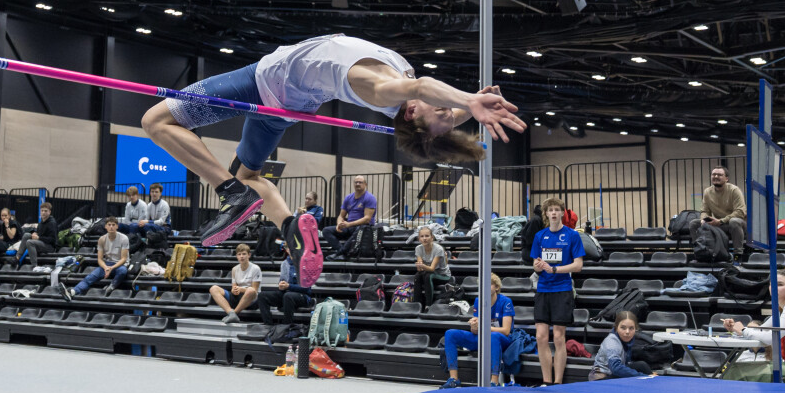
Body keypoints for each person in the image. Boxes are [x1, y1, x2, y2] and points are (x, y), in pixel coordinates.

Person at [140, 34, 525, 286]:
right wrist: (472, 107)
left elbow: (426, 88)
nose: (446, 107)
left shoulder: (384, 90)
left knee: (156, 121)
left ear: (411, 113)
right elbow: (438, 120)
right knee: (249, 174)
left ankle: (229, 191)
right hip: (288, 104)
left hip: (264, 81)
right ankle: (292, 228)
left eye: (441, 108)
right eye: (446, 110)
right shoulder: (405, 97)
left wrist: (469, 100)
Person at [530, 197, 585, 386]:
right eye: (550, 210)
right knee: (541, 336)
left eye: (556, 209)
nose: (553, 212)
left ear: (562, 212)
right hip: (543, 289)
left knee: (559, 337)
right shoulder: (540, 236)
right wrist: (538, 266)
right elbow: (535, 264)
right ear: (546, 213)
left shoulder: (572, 235)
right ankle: (546, 381)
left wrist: (555, 269)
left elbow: (578, 265)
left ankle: (558, 382)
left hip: (562, 290)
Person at [723, 269, 785, 379]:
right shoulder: (782, 310)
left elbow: (770, 337)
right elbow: (760, 330)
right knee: (735, 369)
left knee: (735, 371)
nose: (773, 288)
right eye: (771, 284)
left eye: (780, 284)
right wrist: (735, 328)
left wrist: (744, 330)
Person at [441, 273, 514, 388]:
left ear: (497, 287)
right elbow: (475, 331)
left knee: (493, 336)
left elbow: (506, 331)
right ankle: (454, 379)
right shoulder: (478, 301)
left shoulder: (506, 302)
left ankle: (494, 381)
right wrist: (474, 327)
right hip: (483, 337)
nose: (485, 287)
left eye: (489, 284)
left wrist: (484, 327)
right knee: (450, 333)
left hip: (501, 340)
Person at [65, 217, 129, 299]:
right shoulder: (101, 239)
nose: (111, 227)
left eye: (113, 225)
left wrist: (111, 268)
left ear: (117, 226)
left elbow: (124, 259)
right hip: (107, 264)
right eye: (109, 225)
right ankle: (73, 291)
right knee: (90, 277)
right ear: (105, 226)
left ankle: (111, 287)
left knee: (123, 271)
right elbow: (100, 259)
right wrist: (106, 268)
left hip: (120, 265)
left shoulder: (124, 238)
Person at [255, 250, 311, 336]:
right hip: (286, 294)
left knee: (288, 296)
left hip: (303, 296)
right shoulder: (284, 263)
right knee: (262, 296)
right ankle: (268, 325)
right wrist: (281, 286)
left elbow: (307, 289)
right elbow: (282, 282)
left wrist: (289, 286)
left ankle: (286, 327)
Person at [322, 175, 378, 257]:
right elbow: (341, 216)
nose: (357, 184)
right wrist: (339, 224)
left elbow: (367, 219)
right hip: (349, 227)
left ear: (365, 184)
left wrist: (349, 224)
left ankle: (339, 253)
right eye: (356, 182)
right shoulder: (348, 198)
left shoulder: (370, 198)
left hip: (364, 228)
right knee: (326, 230)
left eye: (360, 182)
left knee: (360, 229)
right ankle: (344, 253)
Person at [591, 312, 652, 380]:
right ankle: (651, 380)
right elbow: (616, 368)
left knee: (641, 365)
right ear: (616, 327)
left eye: (631, 328)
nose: (627, 332)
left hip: (613, 372)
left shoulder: (628, 340)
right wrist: (641, 376)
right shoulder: (612, 342)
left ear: (636, 329)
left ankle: (654, 380)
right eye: (623, 328)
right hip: (601, 377)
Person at [700, 166, 747, 255]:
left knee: (734, 221)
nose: (716, 176)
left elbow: (740, 212)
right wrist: (703, 219)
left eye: (719, 175)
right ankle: (701, 252)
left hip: (736, 224)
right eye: (713, 174)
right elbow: (704, 211)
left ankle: (738, 254)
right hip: (719, 224)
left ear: (726, 179)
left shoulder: (734, 190)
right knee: (694, 223)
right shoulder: (707, 192)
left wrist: (721, 221)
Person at [210, 243, 262, 322]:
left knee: (250, 290)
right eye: (239, 254)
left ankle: (234, 313)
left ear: (249, 255)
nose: (241, 256)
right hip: (238, 297)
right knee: (213, 288)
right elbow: (233, 288)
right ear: (236, 256)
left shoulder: (255, 268)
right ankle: (230, 313)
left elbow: (255, 290)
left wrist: (241, 289)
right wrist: (234, 290)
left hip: (251, 299)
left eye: (244, 254)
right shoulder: (234, 269)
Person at [411, 225, 452, 308]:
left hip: (443, 275)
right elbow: (420, 269)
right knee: (417, 276)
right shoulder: (418, 248)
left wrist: (422, 265)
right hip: (428, 272)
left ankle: (428, 305)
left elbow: (432, 269)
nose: (424, 238)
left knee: (428, 276)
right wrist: (419, 266)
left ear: (432, 237)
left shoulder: (438, 249)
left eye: (427, 236)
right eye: (422, 236)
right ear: (419, 239)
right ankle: (416, 304)